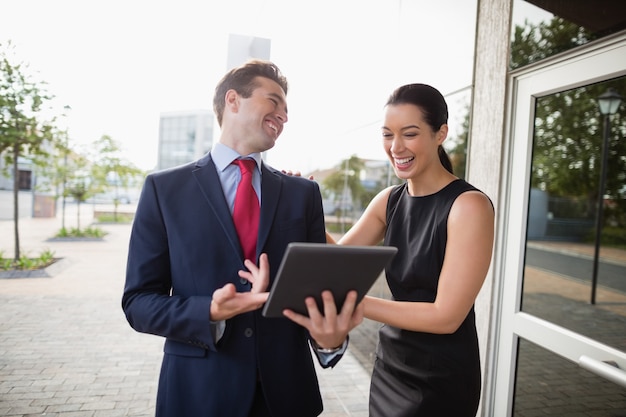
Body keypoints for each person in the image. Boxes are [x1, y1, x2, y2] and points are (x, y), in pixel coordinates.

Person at [122, 59, 362, 417]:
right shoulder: (164, 190)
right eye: (274, 101)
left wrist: (330, 341)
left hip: (285, 396)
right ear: (232, 100)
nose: (283, 115)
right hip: (198, 393)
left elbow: (316, 293)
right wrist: (209, 311)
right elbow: (138, 302)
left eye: (286, 109)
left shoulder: (302, 194)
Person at [316, 83, 495, 416]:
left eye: (409, 134)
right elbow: (339, 257)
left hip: (441, 377)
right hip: (391, 365)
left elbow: (446, 317)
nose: (396, 147)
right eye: (387, 134)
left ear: (440, 133)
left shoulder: (469, 206)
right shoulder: (388, 200)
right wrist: (300, 203)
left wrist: (356, 302)